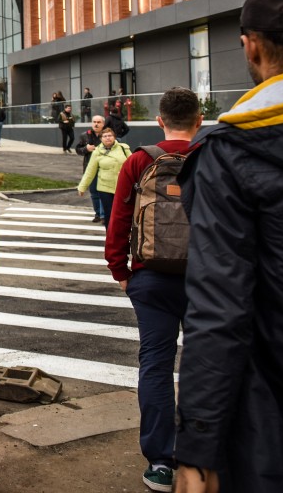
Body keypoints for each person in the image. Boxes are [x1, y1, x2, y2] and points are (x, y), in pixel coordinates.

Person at [175, 0, 283, 493]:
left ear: (251, 49)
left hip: (277, 419)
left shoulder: (230, 155)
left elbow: (219, 306)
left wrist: (199, 444)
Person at [105, 87, 202, 492]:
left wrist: (122, 272)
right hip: (206, 282)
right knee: (205, 366)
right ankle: (202, 458)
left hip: (151, 278)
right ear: (199, 121)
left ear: (159, 121)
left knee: (157, 365)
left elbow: (119, 221)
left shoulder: (140, 160)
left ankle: (161, 463)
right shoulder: (210, 157)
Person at [77, 126, 130, 225]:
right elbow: (90, 171)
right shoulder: (97, 152)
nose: (107, 138)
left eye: (110, 135)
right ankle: (110, 237)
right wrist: (82, 187)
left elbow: (132, 165)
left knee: (123, 214)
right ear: (101, 139)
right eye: (105, 136)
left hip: (122, 186)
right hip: (105, 188)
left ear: (114, 137)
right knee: (108, 215)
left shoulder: (123, 148)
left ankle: (123, 237)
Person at [76, 115, 107, 222]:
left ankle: (104, 215)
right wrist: (86, 148)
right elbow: (78, 149)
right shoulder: (85, 135)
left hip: (104, 168)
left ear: (103, 124)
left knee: (104, 192)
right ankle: (98, 214)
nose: (96, 124)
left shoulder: (107, 135)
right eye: (94, 122)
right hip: (90, 167)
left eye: (98, 122)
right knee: (94, 193)